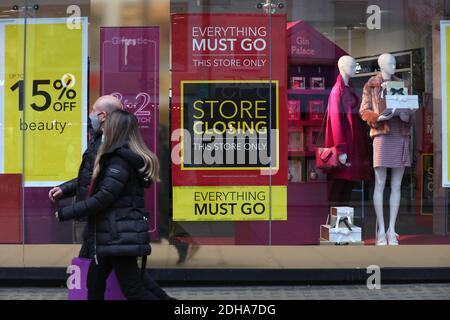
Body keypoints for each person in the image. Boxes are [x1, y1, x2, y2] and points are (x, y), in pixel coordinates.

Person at [55, 109, 167, 300]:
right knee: (95, 284)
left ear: (114, 129)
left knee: (133, 290)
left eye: (106, 125)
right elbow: (90, 182)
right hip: (110, 234)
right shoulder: (117, 156)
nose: (102, 128)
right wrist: (66, 190)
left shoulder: (119, 161)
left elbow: (103, 197)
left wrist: (67, 212)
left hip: (118, 235)